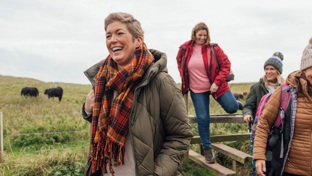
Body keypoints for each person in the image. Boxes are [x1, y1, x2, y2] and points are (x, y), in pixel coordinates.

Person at [81, 12, 193, 176]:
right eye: (108, 35)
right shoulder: (102, 79)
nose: (113, 40)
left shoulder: (160, 81)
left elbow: (180, 137)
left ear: (138, 40)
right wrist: (87, 110)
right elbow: (107, 123)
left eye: (120, 33)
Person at [176, 22, 241, 164]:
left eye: (205, 35)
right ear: (194, 34)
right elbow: (179, 62)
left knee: (232, 108)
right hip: (197, 90)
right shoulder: (184, 49)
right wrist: (185, 80)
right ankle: (207, 149)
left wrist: (217, 83)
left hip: (216, 85)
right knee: (203, 119)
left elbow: (226, 65)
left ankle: (238, 103)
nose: (202, 38)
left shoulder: (214, 48)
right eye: (200, 35)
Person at [254, 37, 312, 176]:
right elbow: (264, 123)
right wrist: (259, 155)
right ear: (304, 68)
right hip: (291, 169)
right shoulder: (286, 92)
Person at [242, 52, 284, 175]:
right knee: (260, 161)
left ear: (278, 72)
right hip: (261, 129)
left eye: (272, 69)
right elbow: (248, 105)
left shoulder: (284, 88)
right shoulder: (257, 88)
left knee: (276, 162)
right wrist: (247, 114)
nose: (268, 72)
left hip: (278, 132)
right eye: (266, 69)